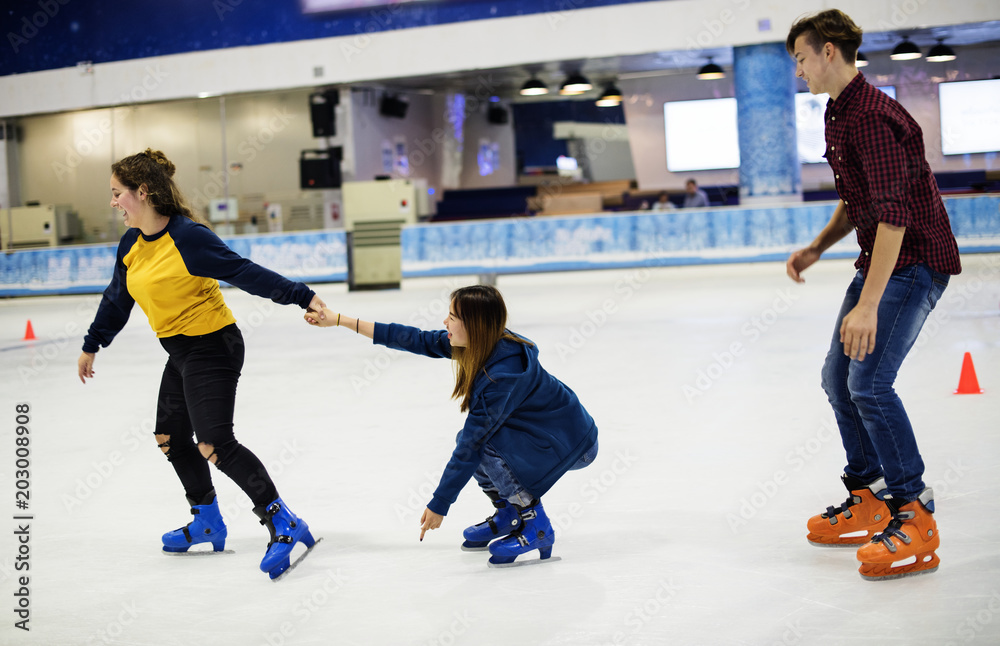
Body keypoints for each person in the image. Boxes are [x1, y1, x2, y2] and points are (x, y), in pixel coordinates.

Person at [77, 149, 325, 580]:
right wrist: (93, 342)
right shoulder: (131, 243)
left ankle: (282, 520)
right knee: (170, 435)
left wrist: (301, 295)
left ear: (143, 192)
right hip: (181, 351)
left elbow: (244, 271)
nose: (114, 202)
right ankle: (207, 520)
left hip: (214, 344)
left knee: (214, 442)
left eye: (118, 194)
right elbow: (118, 297)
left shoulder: (188, 237)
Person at [785, 10, 961, 581]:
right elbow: (858, 198)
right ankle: (871, 495)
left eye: (802, 59)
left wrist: (866, 303)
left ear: (829, 51)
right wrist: (818, 247)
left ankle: (916, 512)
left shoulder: (873, 117)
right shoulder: (840, 112)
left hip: (915, 264)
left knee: (869, 382)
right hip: (882, 259)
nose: (801, 71)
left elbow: (893, 219)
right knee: (838, 379)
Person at [305, 284, 598, 567]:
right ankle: (509, 513)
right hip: (549, 433)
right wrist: (340, 320)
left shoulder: (502, 375)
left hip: (572, 444)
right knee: (476, 442)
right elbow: (413, 338)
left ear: (475, 325)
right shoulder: (482, 345)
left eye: (453, 317)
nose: (445, 321)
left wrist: (439, 504)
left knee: (483, 447)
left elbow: (471, 446)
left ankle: (536, 526)